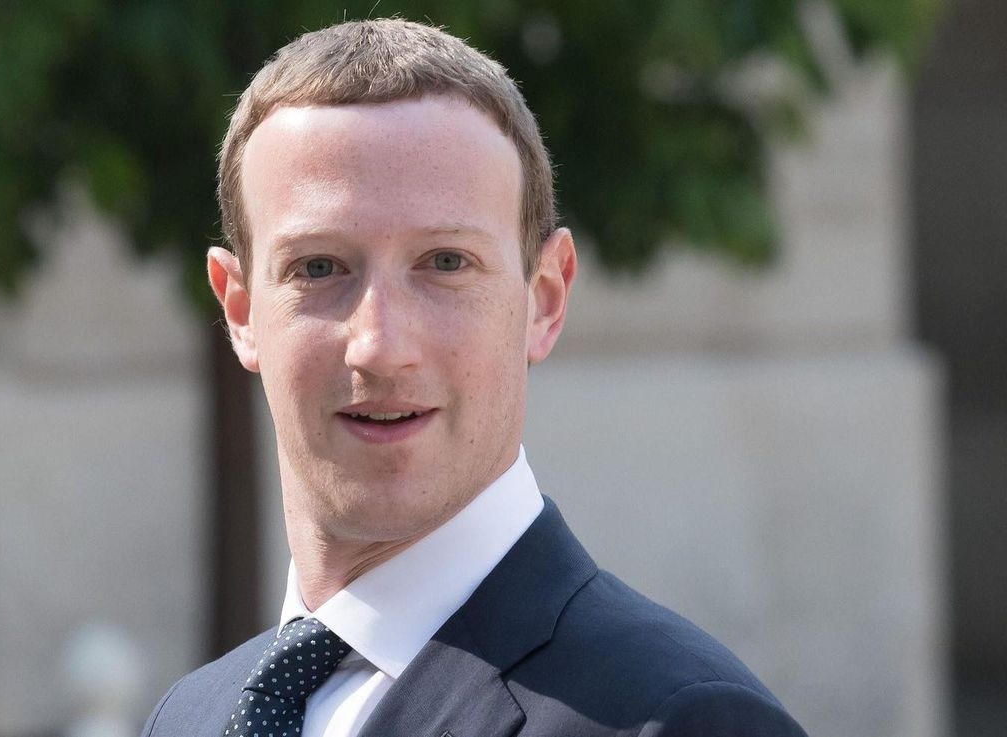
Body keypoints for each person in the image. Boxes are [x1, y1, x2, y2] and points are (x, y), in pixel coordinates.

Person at [142, 18, 807, 737]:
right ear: (240, 310)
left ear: (544, 298)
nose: (379, 346)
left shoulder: (682, 717)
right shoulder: (189, 718)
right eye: (319, 267)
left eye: (445, 263)